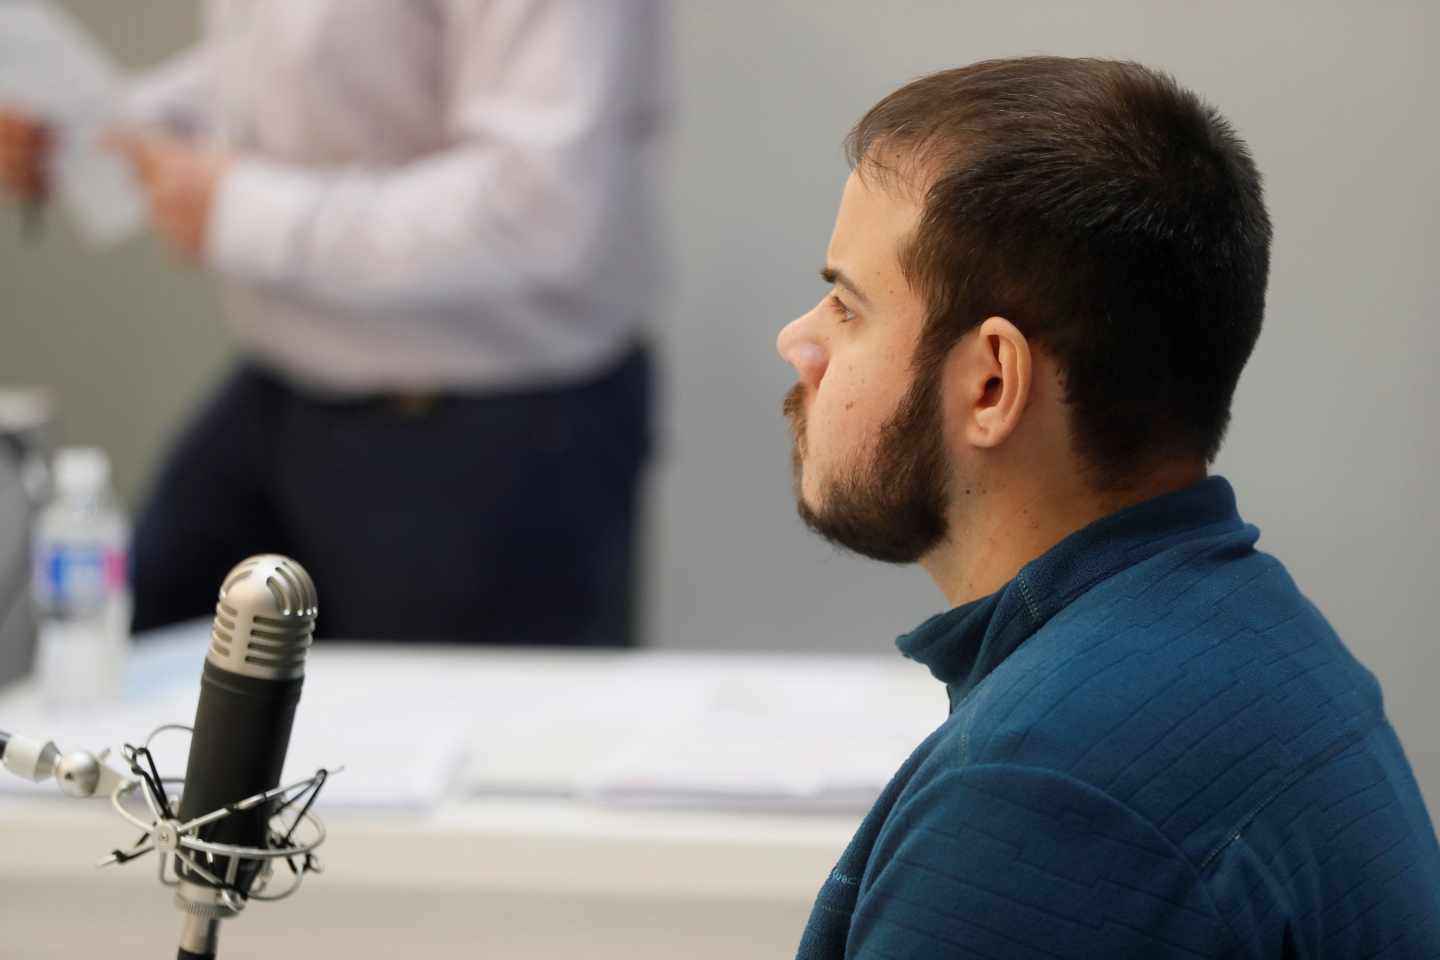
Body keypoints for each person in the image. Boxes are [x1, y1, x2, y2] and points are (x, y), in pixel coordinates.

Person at [776, 57, 1440, 958]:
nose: (799, 341)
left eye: (848, 307)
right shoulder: (1258, 642)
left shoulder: (1044, 797)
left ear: (991, 383)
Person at [0, 0, 663, 645]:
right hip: (286, 388)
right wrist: (113, 134)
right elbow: (309, 57)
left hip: (487, 427)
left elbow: (540, 206)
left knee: (440, 735)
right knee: (122, 675)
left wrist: (239, 211)